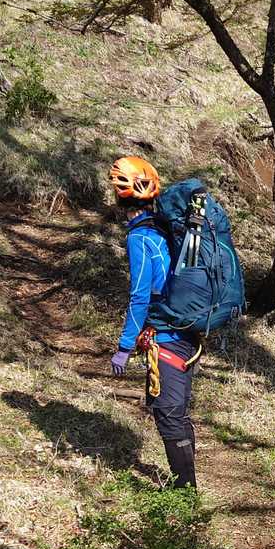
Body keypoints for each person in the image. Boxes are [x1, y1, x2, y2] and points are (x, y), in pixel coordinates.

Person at [108, 156, 201, 490]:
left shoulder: (140, 237)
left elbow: (139, 296)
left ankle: (185, 492)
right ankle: (186, 485)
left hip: (167, 336)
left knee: (168, 414)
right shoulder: (166, 225)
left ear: (119, 197)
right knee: (177, 412)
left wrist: (124, 347)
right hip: (188, 330)